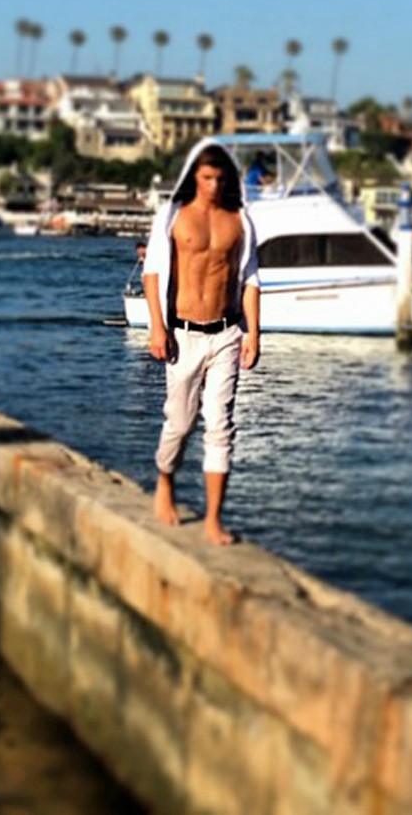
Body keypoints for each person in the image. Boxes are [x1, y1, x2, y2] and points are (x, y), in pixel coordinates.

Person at [142, 140, 261, 545]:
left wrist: (253, 333)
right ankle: (165, 480)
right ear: (194, 175)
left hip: (226, 333)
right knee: (179, 423)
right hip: (183, 334)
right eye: (207, 177)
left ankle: (213, 520)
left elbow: (250, 279)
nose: (214, 185)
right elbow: (152, 272)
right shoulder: (173, 216)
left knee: (221, 426)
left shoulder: (239, 219)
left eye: (220, 179)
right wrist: (157, 327)